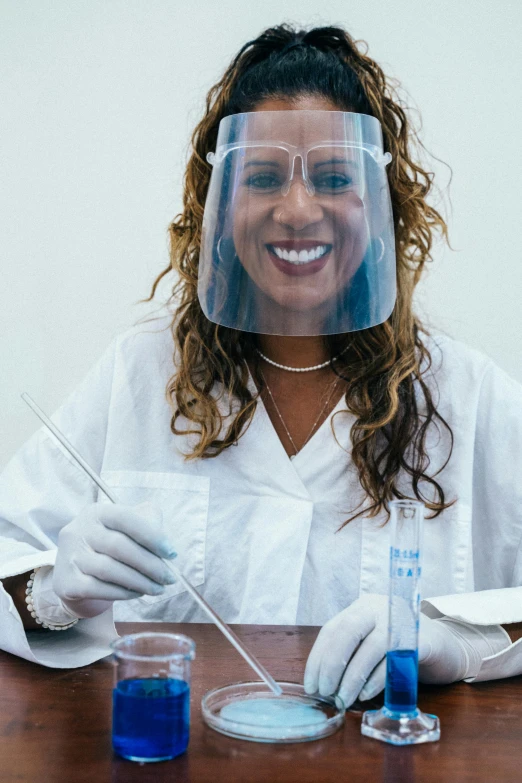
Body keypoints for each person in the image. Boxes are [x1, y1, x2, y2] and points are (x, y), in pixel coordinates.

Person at [1, 24, 521, 707]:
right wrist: (51, 591)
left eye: (335, 177)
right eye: (264, 177)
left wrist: (460, 644)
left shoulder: (468, 395)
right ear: (218, 208)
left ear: (381, 200)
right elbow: (12, 563)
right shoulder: (137, 373)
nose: (298, 209)